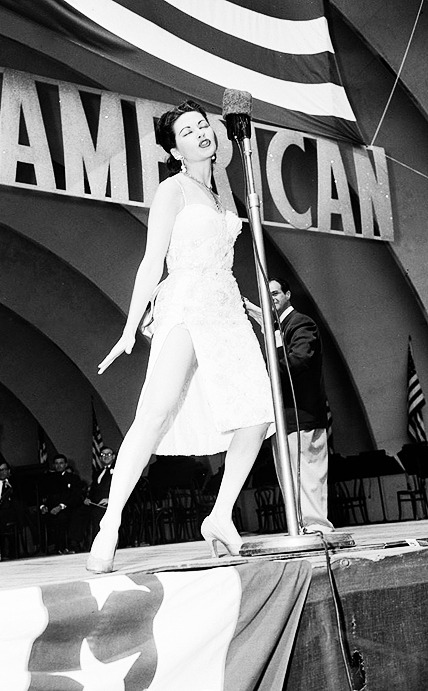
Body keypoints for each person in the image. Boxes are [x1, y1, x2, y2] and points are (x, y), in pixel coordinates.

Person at [87, 100, 275, 573]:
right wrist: (130, 326)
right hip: (187, 303)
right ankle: (110, 522)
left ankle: (219, 515)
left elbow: (224, 253)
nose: (200, 134)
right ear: (175, 148)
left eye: (202, 126)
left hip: (227, 306)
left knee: (257, 415)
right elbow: (153, 261)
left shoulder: (225, 191)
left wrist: (249, 305)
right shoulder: (172, 190)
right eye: (188, 131)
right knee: (156, 410)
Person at [244, 279, 334, 533]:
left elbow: (301, 360)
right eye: (266, 294)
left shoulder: (300, 323)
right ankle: (301, 527)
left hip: (303, 414)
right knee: (290, 478)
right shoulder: (277, 328)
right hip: (283, 418)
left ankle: (317, 527)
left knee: (308, 475)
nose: (271, 297)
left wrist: (263, 368)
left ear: (287, 294)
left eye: (274, 293)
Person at [68, 447, 117, 552]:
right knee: (78, 512)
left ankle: (97, 546)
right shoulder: (97, 473)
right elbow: (93, 490)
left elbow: (121, 487)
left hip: (111, 503)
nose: (106, 457)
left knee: (97, 514)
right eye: (103, 455)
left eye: (108, 454)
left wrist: (110, 499)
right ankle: (76, 543)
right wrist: (88, 499)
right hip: (95, 503)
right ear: (100, 458)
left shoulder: (119, 471)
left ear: (113, 456)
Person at [40, 454, 84, 554]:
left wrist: (61, 506)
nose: (59, 466)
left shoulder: (73, 478)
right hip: (51, 509)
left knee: (65, 517)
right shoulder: (48, 479)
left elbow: (75, 497)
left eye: (61, 463)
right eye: (56, 463)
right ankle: (51, 547)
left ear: (65, 464)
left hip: (68, 508)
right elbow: (43, 494)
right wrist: (43, 506)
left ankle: (66, 546)